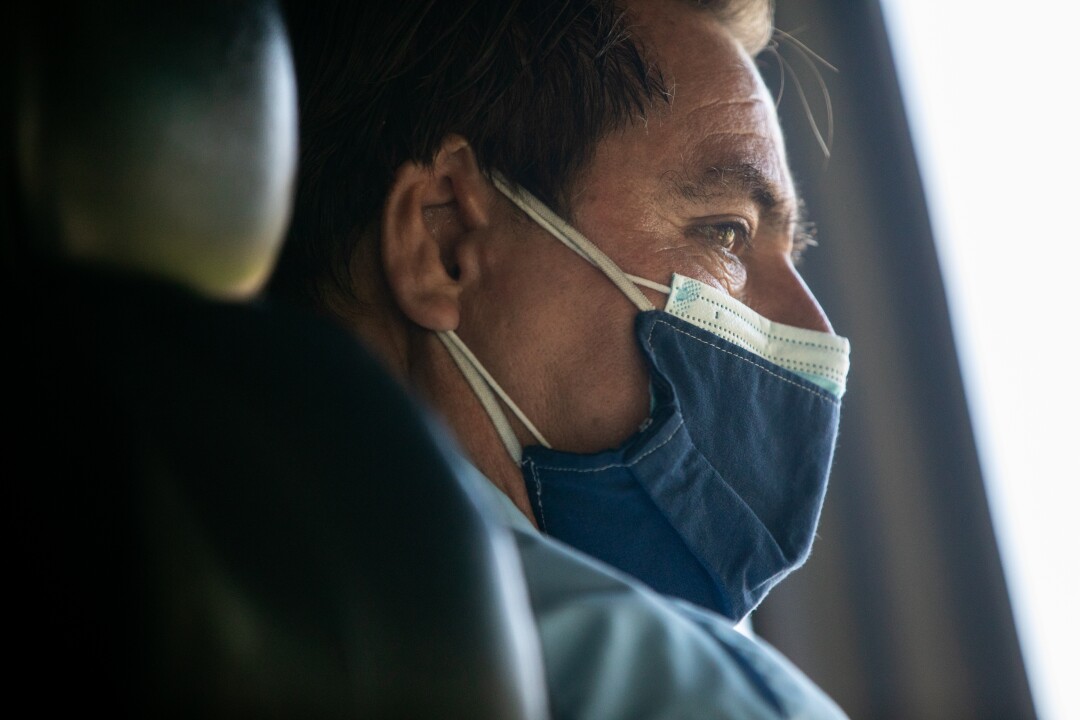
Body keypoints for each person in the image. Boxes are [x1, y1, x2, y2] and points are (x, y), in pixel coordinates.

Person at [270, 0, 852, 717]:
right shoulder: (693, 694)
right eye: (726, 234)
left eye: (790, 257)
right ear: (444, 241)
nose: (815, 331)